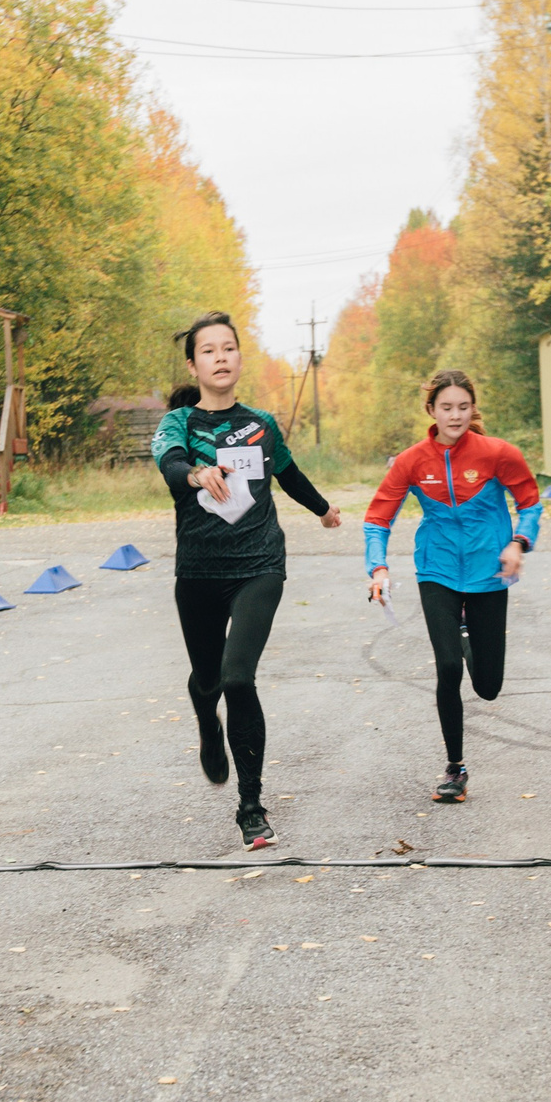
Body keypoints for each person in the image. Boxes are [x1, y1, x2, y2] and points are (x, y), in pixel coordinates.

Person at [154, 310, 341, 849]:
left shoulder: (261, 423)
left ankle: (251, 807)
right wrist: (197, 473)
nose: (220, 357)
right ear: (194, 365)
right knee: (207, 679)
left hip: (259, 565)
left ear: (239, 358)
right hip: (198, 571)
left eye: (228, 348)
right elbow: (171, 466)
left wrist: (323, 509)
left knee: (238, 678)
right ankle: (206, 721)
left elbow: (288, 472)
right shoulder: (178, 423)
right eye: (208, 350)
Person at [364, 369, 541, 804]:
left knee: (488, 687)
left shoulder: (499, 454)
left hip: (488, 574)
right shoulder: (412, 461)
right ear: (431, 410)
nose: (455, 415)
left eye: (463, 406)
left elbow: (530, 503)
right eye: (446, 407)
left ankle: (466, 636)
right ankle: (455, 768)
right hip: (437, 571)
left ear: (472, 408)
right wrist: (378, 568)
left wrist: (518, 542)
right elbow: (378, 518)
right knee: (447, 668)